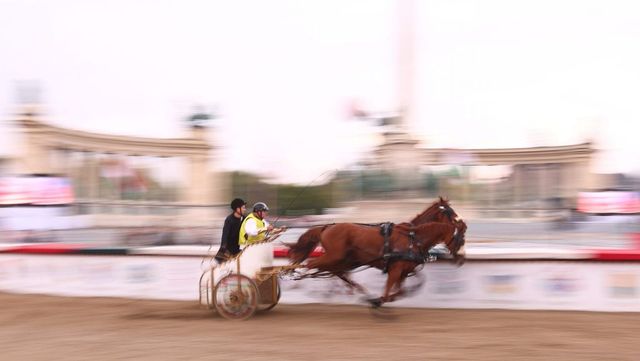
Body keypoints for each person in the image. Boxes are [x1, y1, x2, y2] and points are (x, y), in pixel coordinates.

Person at [214, 198, 246, 263]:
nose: (244, 209)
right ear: (237, 209)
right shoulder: (229, 220)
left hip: (238, 247)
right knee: (222, 267)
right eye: (243, 208)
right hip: (228, 249)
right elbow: (225, 234)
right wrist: (223, 246)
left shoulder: (244, 218)